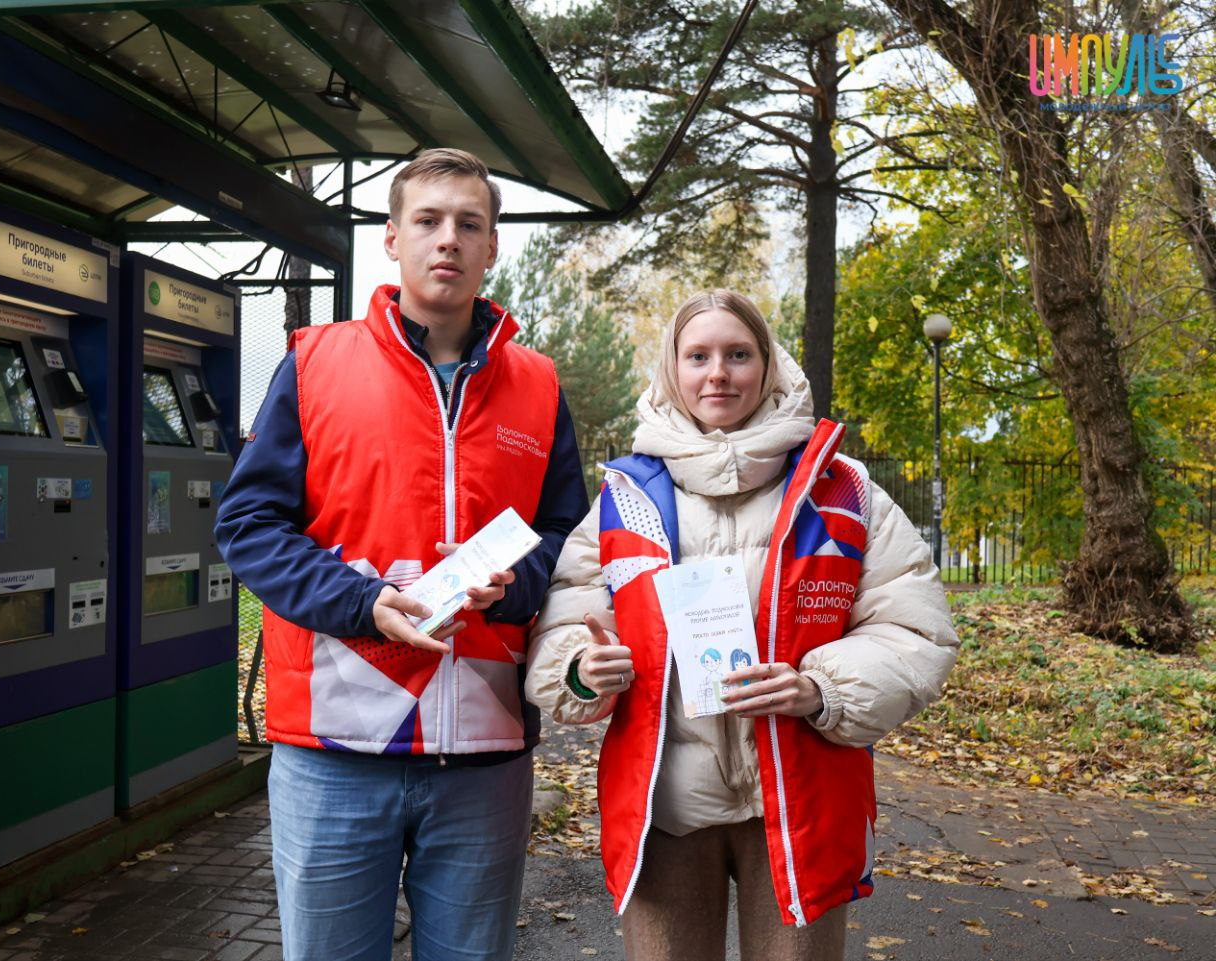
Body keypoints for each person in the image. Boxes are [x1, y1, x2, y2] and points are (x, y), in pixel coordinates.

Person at [216, 148, 588, 961]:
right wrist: (362, 601)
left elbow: (571, 537)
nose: (448, 238)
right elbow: (248, 523)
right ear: (391, 237)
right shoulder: (315, 362)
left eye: (469, 224)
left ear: (492, 247)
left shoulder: (539, 385)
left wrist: (516, 583)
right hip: (335, 747)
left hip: (485, 752)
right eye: (428, 220)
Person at [526, 289, 959, 961]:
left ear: (768, 363)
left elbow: (916, 629)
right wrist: (582, 668)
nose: (718, 374)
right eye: (697, 356)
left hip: (800, 804)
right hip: (667, 805)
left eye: (738, 354)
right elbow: (565, 621)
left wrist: (822, 688)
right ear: (673, 368)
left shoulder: (840, 488)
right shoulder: (624, 498)